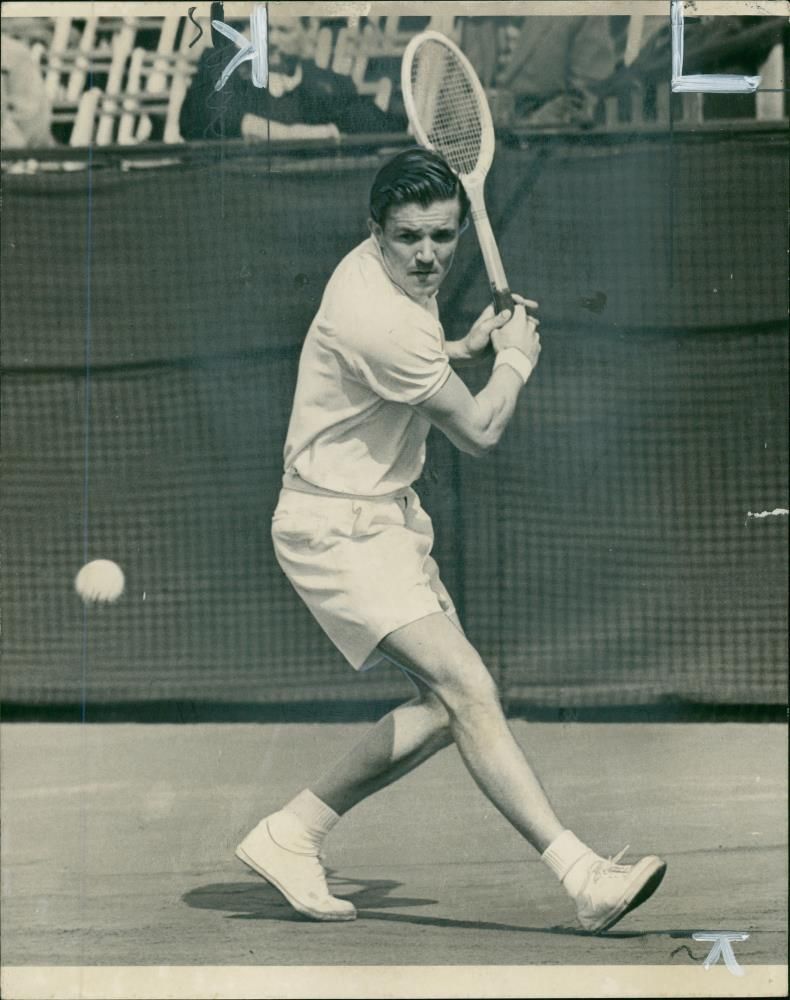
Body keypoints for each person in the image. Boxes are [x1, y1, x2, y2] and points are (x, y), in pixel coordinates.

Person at [235, 147, 667, 932]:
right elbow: (479, 429)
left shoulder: (395, 287)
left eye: (442, 235)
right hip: (334, 527)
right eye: (408, 238)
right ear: (375, 232)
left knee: (445, 708)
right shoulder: (380, 315)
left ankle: (291, 831)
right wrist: (516, 362)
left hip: (384, 518)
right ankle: (582, 876)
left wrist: (464, 350)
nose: (428, 255)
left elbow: (412, 365)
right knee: (469, 686)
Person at [179, 12, 404, 142]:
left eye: (283, 31)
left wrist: (328, 132)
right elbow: (204, 118)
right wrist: (289, 134)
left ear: (307, 34)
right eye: (265, 29)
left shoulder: (326, 82)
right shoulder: (226, 71)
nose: (272, 40)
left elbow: (370, 121)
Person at [461, 16, 616, 126]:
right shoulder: (473, 15)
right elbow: (459, 89)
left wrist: (526, 123)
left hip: (548, 153)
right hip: (481, 153)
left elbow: (586, 94)